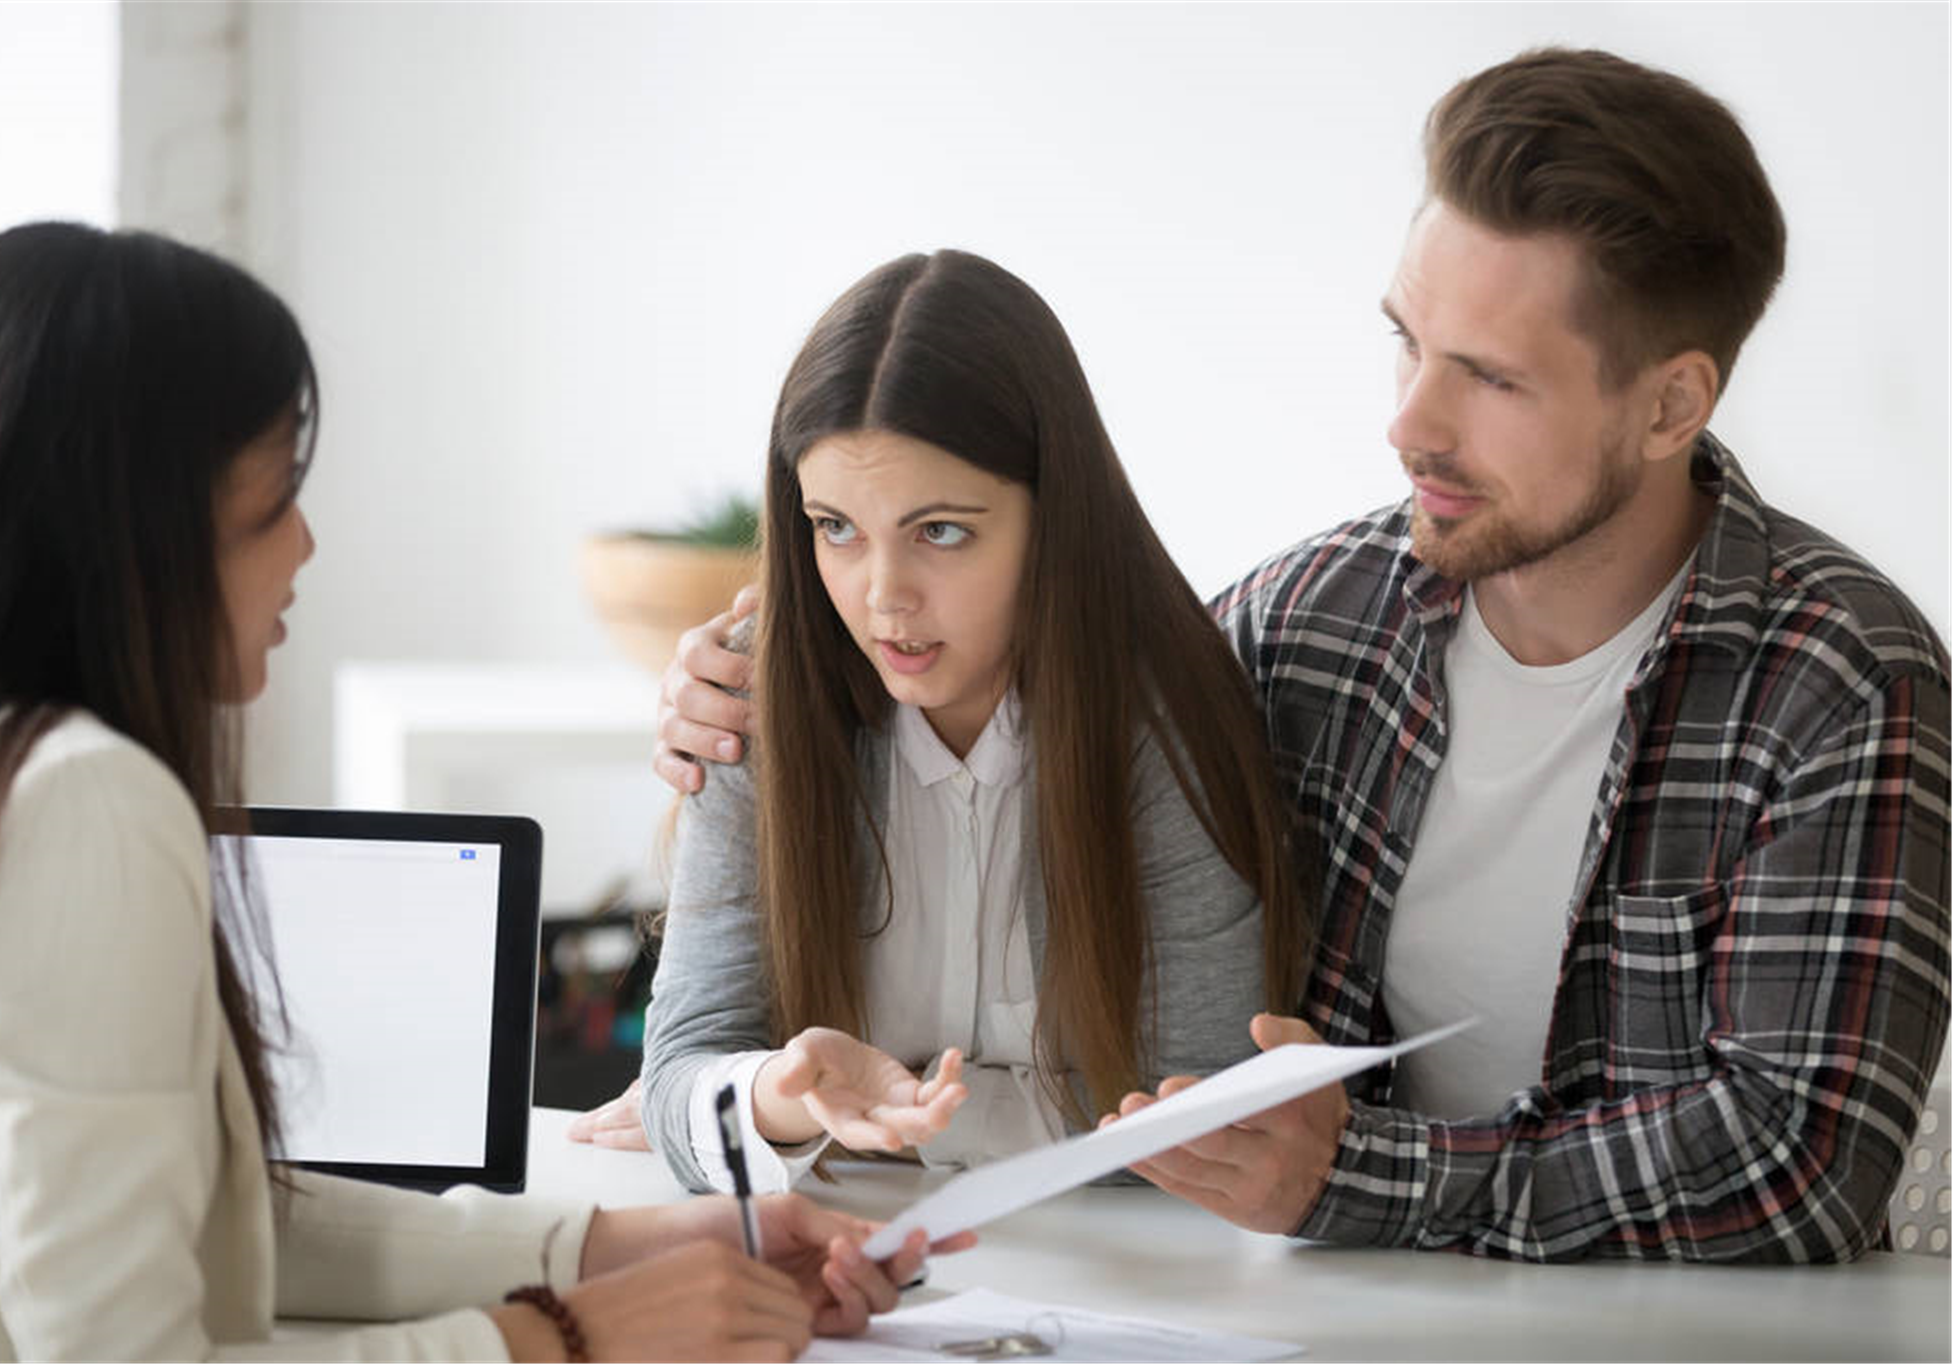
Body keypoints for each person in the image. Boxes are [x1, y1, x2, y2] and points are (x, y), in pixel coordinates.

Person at [651, 48, 1952, 1262]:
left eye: (1488, 380)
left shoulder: (1840, 682)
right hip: (1331, 1310)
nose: (1407, 423)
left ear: (1670, 402)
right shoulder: (1303, 624)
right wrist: (737, 679)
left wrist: (1362, 1179)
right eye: (1404, 340)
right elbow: (1061, 689)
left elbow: (1796, 1165)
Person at [0, 222, 954, 1364]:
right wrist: (559, 1335)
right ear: (134, 525)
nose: (305, 544)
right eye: (271, 499)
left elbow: (219, 1221)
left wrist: (622, 1244)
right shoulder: (82, 807)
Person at [625, 249, 1313, 1195]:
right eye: (836, 528)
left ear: (1054, 517)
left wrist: (913, 1122)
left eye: (940, 531)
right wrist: (786, 1096)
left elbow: (1194, 1107)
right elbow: (676, 1080)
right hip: (850, 1264)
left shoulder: (1165, 727)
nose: (882, 598)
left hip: (1129, 1285)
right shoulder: (747, 704)